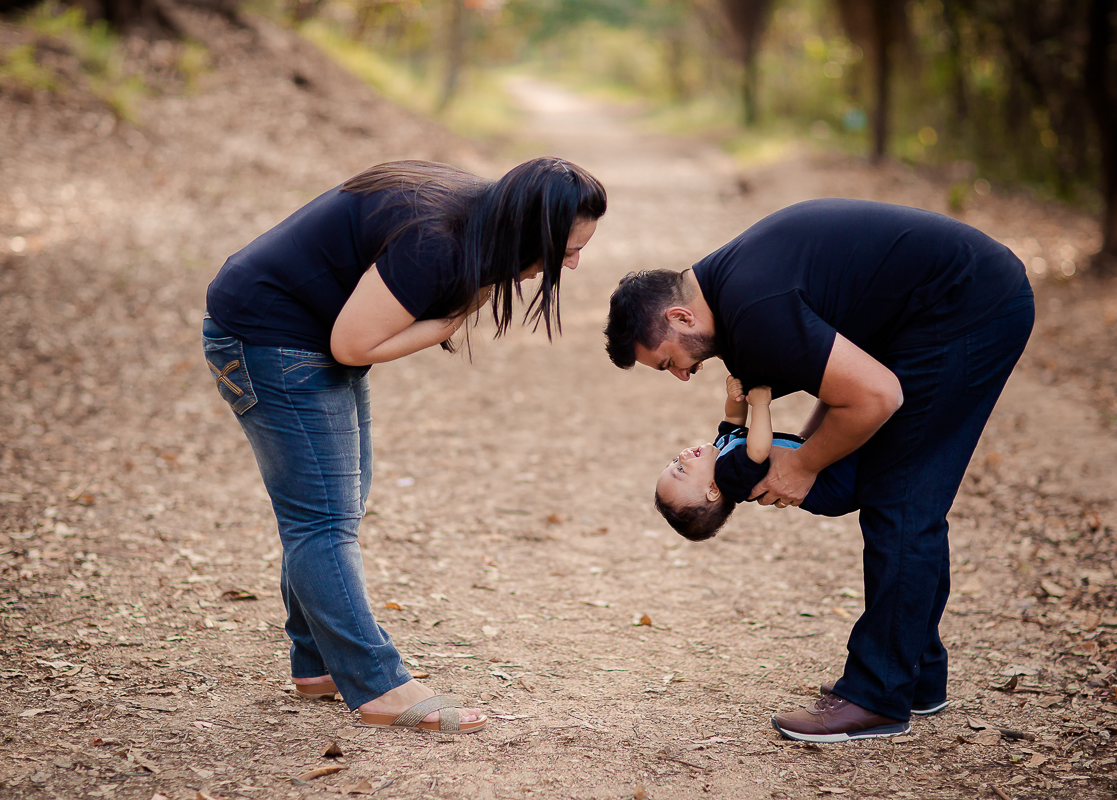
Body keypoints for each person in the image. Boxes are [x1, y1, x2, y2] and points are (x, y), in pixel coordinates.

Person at [604, 198, 1033, 743]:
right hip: (940, 307)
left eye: (669, 361)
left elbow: (876, 396)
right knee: (903, 497)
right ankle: (918, 677)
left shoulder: (756, 311)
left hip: (967, 307)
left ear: (679, 317)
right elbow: (838, 382)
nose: (683, 376)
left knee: (899, 501)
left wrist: (803, 465)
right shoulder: (730, 294)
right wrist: (807, 444)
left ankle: (878, 696)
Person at [202, 157, 606, 734]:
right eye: (567, 251)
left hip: (297, 329)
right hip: (270, 338)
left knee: (334, 508)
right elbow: (353, 344)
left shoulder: (478, 218)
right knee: (322, 519)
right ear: (528, 229)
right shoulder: (438, 242)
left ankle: (318, 663)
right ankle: (377, 686)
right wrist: (446, 324)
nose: (568, 265)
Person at [655, 375, 858, 540]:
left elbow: (733, 420)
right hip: (835, 485)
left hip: (825, 468)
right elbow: (758, 451)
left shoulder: (721, 450)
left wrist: (735, 397)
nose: (681, 456)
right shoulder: (730, 478)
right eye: (681, 470)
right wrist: (760, 405)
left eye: (674, 461)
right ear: (713, 490)